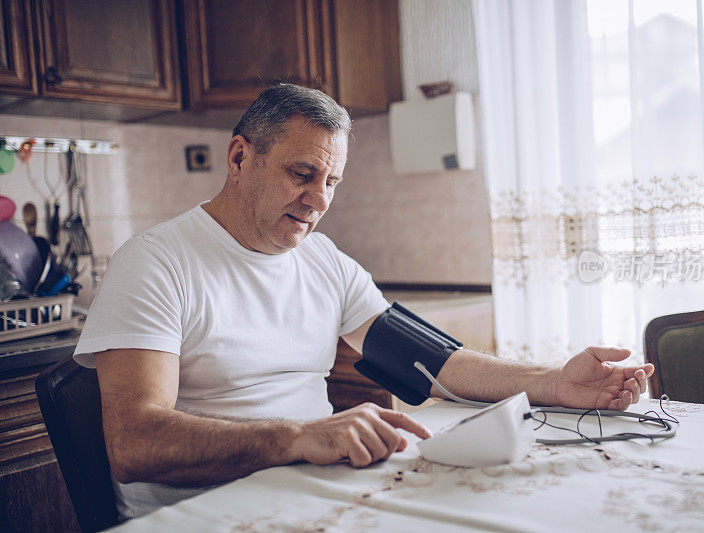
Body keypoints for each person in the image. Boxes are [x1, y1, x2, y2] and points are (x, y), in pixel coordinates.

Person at [74, 83, 654, 519]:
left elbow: (434, 362)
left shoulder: (322, 259)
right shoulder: (154, 263)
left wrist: (556, 382)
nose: (318, 199)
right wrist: (296, 436)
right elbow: (134, 442)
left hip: (308, 492)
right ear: (238, 158)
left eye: (331, 183)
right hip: (203, 516)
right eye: (302, 174)